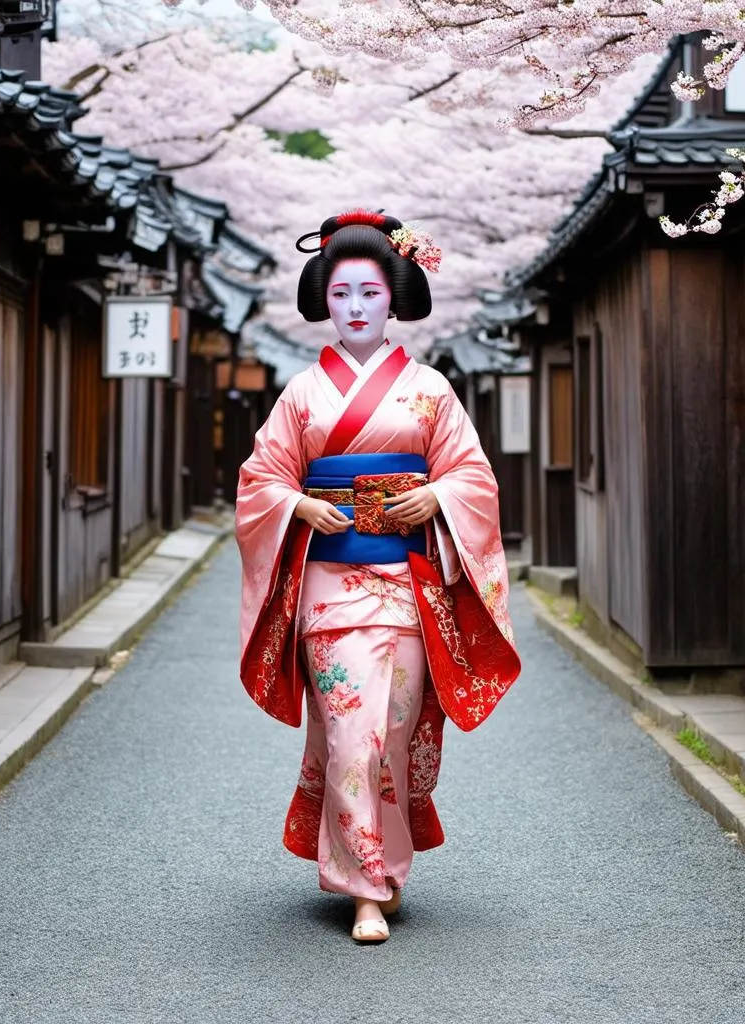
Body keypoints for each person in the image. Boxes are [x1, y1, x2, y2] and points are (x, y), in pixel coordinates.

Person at [236, 209, 520, 943]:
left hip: (406, 588)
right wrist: (298, 501)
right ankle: (365, 888)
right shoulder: (301, 394)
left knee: (389, 735)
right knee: (348, 731)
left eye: (368, 293)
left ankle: (383, 867)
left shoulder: (430, 390)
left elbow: (475, 478)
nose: (355, 309)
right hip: (330, 593)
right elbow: (259, 479)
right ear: (323, 303)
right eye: (340, 296)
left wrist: (440, 495)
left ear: (393, 298)